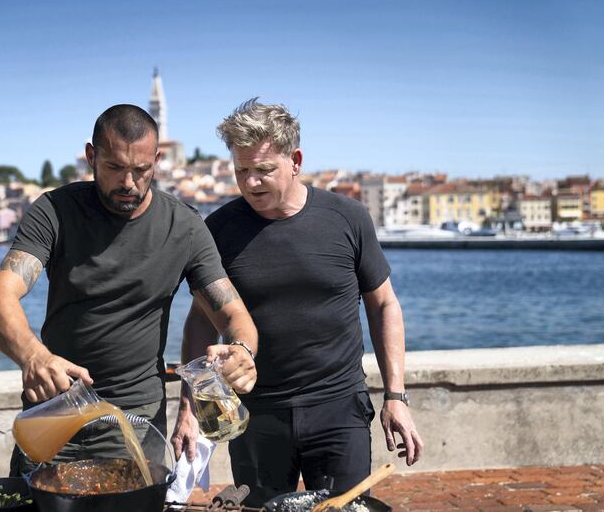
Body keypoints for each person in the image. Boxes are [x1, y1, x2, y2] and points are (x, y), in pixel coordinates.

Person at [0, 104, 257, 475]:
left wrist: (241, 351)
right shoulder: (55, 211)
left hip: (136, 423)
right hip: (53, 412)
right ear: (91, 156)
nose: (129, 183)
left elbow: (234, 315)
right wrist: (35, 357)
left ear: (157, 160)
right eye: (114, 168)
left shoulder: (185, 227)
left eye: (142, 170)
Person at [172, 99, 423, 506]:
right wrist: (189, 406)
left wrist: (395, 397)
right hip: (255, 415)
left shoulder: (348, 218)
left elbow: (384, 307)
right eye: (242, 171)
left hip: (339, 409)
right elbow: (201, 321)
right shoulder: (217, 230)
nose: (251, 183)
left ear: (296, 160)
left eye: (264, 170)